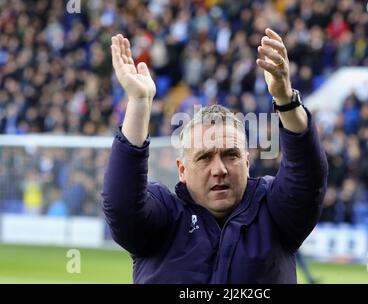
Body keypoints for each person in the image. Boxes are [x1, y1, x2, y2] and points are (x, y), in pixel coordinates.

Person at [102, 28, 328, 283]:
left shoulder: (272, 212)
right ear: (182, 170)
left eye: (230, 155)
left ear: (247, 162)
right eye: (204, 157)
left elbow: (307, 180)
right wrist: (139, 103)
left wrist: (285, 99)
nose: (219, 169)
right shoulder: (164, 216)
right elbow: (122, 207)